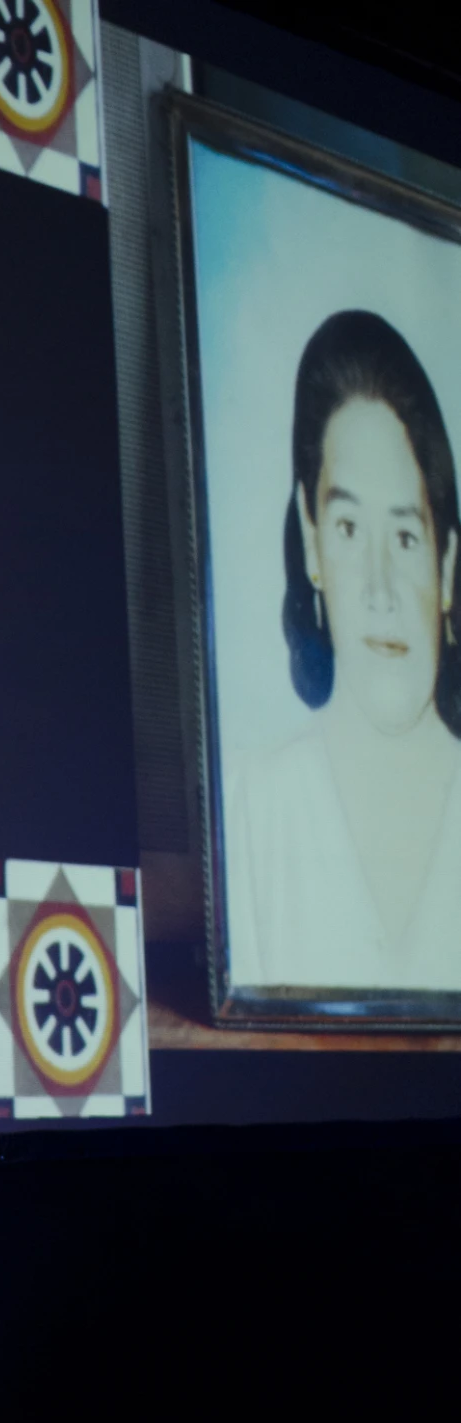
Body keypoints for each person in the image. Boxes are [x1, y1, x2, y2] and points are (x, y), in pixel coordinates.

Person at [227, 309, 461, 993]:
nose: (382, 589)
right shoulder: (251, 813)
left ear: (447, 567)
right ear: (311, 539)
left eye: (407, 536)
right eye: (351, 527)